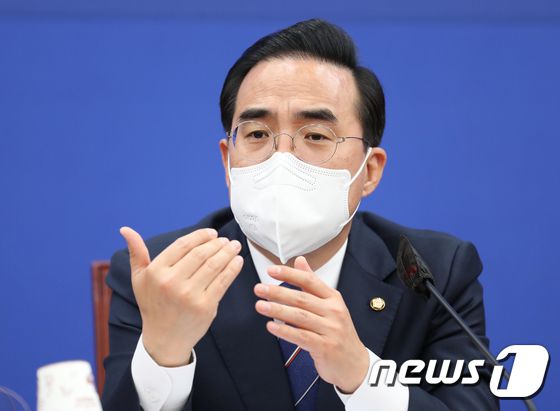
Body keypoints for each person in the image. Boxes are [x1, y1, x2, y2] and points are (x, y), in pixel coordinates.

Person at [101, 19, 499, 411]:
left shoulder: (434, 274)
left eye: (316, 136)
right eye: (257, 134)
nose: (282, 158)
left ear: (370, 171)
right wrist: (164, 355)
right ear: (227, 162)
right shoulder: (162, 275)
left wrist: (362, 376)